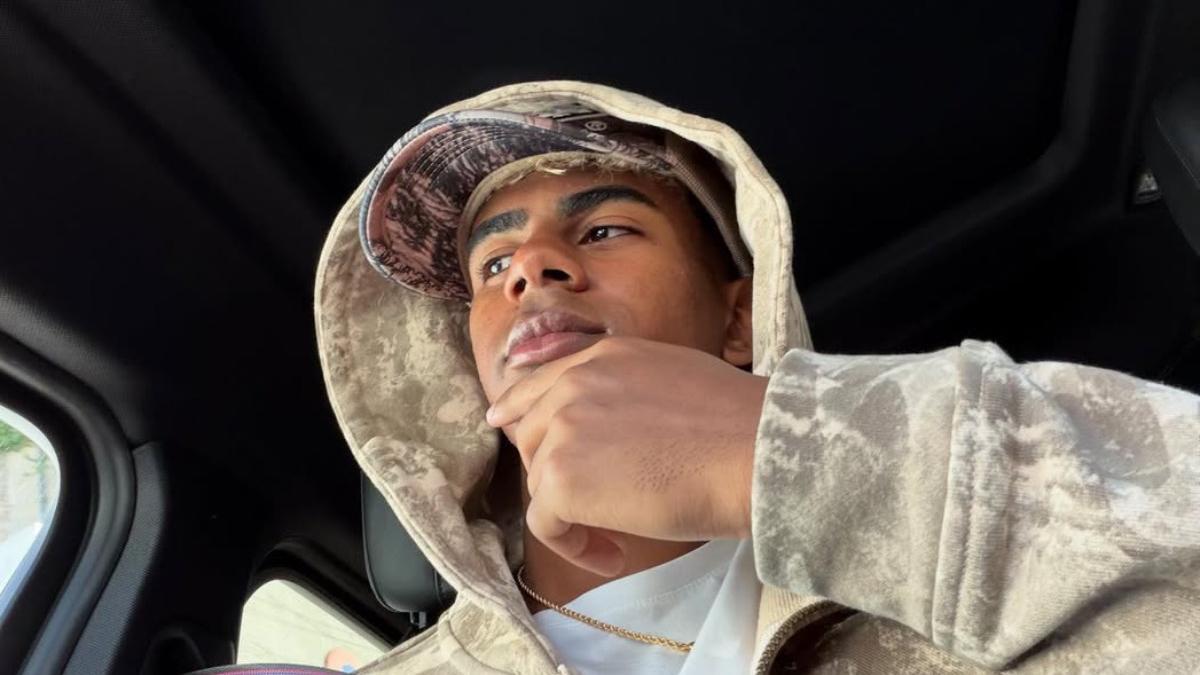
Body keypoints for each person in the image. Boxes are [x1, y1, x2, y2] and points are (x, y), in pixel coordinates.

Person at [313, 81, 1200, 674]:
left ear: (738, 318)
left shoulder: (927, 587)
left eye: (605, 230)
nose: (531, 268)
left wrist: (782, 454)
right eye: (492, 262)